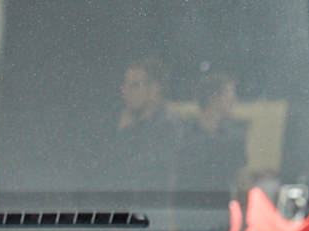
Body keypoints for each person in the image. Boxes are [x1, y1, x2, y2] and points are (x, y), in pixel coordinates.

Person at [103, 57, 179, 196]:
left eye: (135, 85)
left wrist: (124, 133)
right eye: (126, 86)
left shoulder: (169, 128)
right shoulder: (123, 123)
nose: (127, 92)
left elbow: (138, 173)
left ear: (155, 88)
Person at [178, 73, 249, 200]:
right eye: (230, 94)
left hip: (220, 208)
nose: (234, 100)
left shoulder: (233, 137)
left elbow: (242, 180)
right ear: (214, 98)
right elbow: (175, 179)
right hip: (189, 207)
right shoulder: (184, 136)